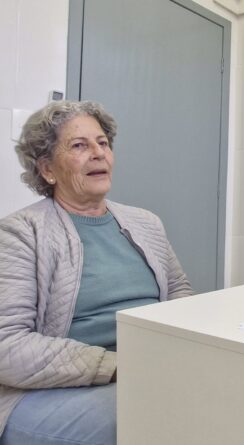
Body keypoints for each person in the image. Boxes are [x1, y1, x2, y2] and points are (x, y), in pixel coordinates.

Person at [0, 100, 192, 445]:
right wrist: (114, 366)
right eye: (79, 145)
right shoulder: (20, 233)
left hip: (146, 365)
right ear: (47, 169)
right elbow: (7, 346)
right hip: (51, 389)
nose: (98, 153)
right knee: (162, 412)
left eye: (103, 143)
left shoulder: (146, 223)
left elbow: (180, 295)